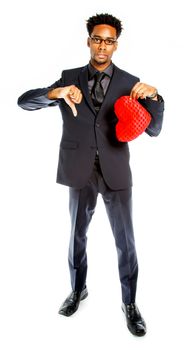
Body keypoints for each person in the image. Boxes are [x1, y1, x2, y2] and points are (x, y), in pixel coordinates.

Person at [17, 13, 164, 336]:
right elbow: (24, 102)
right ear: (88, 41)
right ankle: (77, 289)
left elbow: (153, 130)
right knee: (76, 235)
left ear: (116, 45)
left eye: (109, 40)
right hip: (79, 170)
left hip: (115, 172)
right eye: (97, 38)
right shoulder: (69, 77)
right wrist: (56, 94)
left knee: (126, 241)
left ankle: (130, 303)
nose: (103, 45)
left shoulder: (129, 82)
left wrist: (154, 97)